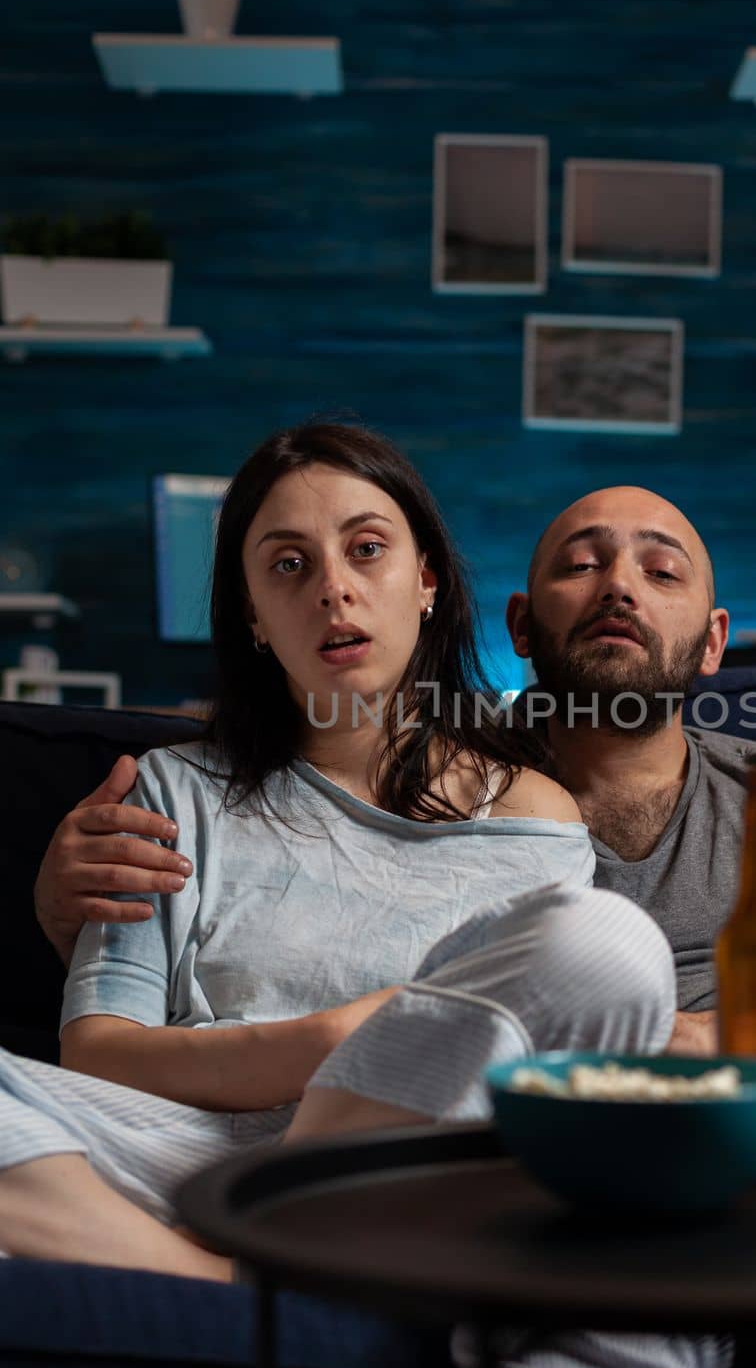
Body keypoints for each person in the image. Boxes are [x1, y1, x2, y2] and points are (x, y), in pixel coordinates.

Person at [34, 484, 756, 1368]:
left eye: (659, 568)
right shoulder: (442, 779)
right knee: (600, 1188)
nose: (619, 583)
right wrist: (65, 905)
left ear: (712, 642)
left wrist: (690, 1047)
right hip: (544, 1126)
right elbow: (301, 875)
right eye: (581, 562)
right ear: (519, 625)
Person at [0, 416, 615, 1280]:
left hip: (401, 1164)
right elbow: (97, 1052)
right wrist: (331, 1038)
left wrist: (380, 1052)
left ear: (427, 580)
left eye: (367, 550)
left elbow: (525, 1063)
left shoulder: (535, 820)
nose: (333, 589)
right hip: (181, 1154)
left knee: (604, 949)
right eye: (289, 565)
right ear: (254, 615)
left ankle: (212, 1264)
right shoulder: (172, 789)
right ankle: (227, 1282)